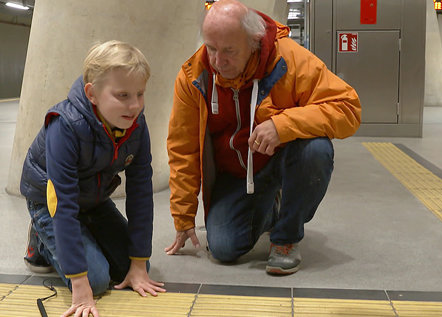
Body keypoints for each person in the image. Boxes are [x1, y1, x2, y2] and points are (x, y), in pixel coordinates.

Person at [165, 0, 361, 275]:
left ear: (254, 42)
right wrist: (183, 215)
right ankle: (273, 206)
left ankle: (286, 237)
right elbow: (183, 148)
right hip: (235, 175)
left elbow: (348, 109)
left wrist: (283, 125)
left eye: (230, 51)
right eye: (211, 48)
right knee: (223, 248)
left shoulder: (291, 60)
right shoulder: (194, 75)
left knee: (315, 150)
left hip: (281, 161)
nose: (218, 62)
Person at [20, 40, 165, 317]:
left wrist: (138, 261)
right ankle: (39, 235)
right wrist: (79, 283)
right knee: (96, 281)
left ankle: (85, 236)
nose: (134, 105)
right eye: (122, 95)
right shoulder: (64, 125)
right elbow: (62, 205)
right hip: (50, 204)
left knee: (137, 268)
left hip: (93, 201)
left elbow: (141, 191)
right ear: (92, 94)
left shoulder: (136, 125)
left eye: (140, 94)